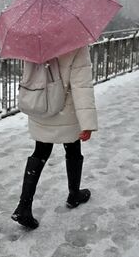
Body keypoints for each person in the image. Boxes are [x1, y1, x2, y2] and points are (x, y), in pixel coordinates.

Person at [12, 45, 99, 229]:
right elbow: (81, 86)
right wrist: (87, 123)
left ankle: (24, 206)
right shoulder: (76, 44)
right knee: (73, 148)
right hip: (65, 110)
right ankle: (74, 194)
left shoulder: (36, 41)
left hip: (41, 106)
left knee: (40, 152)